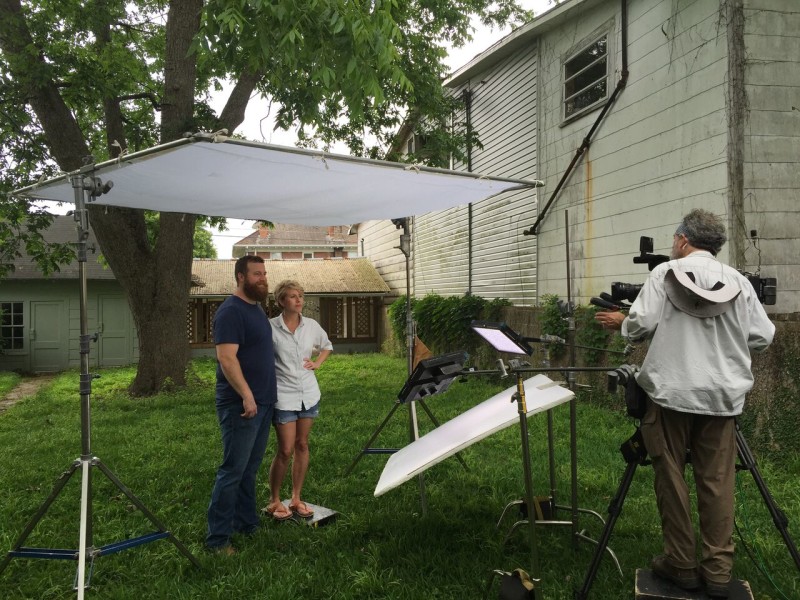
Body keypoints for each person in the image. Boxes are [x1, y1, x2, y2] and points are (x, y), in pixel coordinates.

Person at [595, 209, 774, 599]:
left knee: (671, 476)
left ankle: (680, 563)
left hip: (670, 395)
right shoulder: (740, 282)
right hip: (722, 399)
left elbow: (640, 326)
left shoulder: (663, 275)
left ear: (681, 240)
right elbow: (762, 337)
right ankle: (718, 571)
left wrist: (621, 323)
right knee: (717, 481)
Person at [206, 255, 277, 553]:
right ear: (240, 277)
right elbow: (226, 357)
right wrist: (247, 395)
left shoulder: (256, 309)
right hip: (241, 404)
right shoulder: (231, 312)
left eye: (263, 273)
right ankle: (217, 540)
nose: (262, 278)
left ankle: (246, 523)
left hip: (262, 402)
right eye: (256, 274)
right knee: (233, 470)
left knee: (249, 468)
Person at [264, 280, 333, 520]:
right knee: (285, 449)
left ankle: (295, 497)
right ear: (281, 301)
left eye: (300, 296)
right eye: (293, 296)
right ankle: (274, 500)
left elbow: (327, 346)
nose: (298, 300)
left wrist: (318, 363)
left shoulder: (311, 325)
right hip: (283, 395)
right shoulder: (270, 327)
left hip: (309, 393)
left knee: (302, 445)